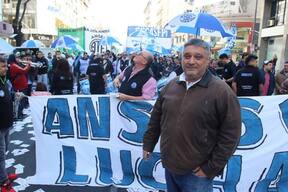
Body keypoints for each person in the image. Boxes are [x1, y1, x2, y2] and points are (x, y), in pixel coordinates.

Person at [143, 39, 241, 192]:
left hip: (198, 173)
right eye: (187, 56)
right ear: (181, 58)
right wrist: (149, 143)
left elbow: (231, 135)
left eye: (198, 57)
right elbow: (156, 118)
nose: (191, 61)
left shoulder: (222, 91)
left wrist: (211, 167)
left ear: (208, 61)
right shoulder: (171, 85)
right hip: (170, 165)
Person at [0, 57, 17, 192]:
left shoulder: (5, 80)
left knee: (5, 150)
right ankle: (4, 182)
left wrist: (15, 96)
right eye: (2, 67)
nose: (5, 69)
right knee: (0, 154)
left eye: (6, 66)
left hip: (7, 123)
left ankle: (3, 173)